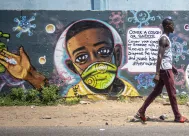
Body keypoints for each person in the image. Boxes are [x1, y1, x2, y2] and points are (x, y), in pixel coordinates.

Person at [0, 20, 139, 100]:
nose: (95, 62)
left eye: (103, 51)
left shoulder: (130, 92)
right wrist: (30, 75)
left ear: (118, 55)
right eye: (82, 57)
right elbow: (53, 93)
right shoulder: (74, 94)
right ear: (72, 67)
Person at [136, 18, 189, 123]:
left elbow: (165, 56)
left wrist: (172, 66)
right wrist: (157, 74)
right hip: (165, 70)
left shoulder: (166, 39)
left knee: (157, 91)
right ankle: (178, 117)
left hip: (166, 68)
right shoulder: (163, 39)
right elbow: (159, 55)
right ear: (167, 26)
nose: (174, 27)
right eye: (172, 25)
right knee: (172, 93)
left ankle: (141, 111)